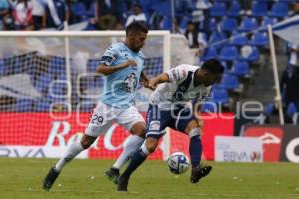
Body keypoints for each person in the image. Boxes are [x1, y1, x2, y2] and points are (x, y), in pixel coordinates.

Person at [43, 22, 151, 191]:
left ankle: (114, 169)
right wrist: (121, 65)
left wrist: (144, 78)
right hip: (106, 106)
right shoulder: (115, 50)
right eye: (141, 38)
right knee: (86, 142)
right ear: (131, 36)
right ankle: (56, 169)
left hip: (127, 107)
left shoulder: (141, 55)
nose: (143, 42)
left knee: (143, 131)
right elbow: (100, 69)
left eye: (145, 39)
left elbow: (138, 68)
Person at [117, 59, 224, 191]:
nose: (216, 81)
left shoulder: (207, 86)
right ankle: (125, 176)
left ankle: (196, 168)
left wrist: (199, 119)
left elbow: (197, 106)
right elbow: (164, 77)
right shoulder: (185, 71)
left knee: (195, 130)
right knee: (150, 145)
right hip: (159, 106)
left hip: (178, 109)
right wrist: (154, 81)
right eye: (215, 77)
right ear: (206, 73)